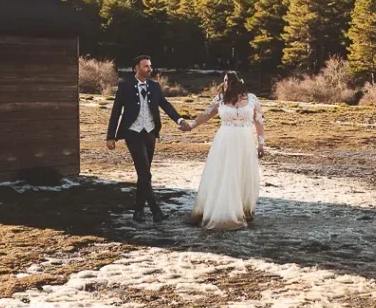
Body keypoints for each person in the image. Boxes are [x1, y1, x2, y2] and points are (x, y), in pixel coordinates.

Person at [106, 55, 189, 222]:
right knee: (145, 173)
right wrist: (111, 136)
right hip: (132, 133)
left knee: (143, 175)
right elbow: (116, 111)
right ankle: (155, 211)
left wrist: (179, 120)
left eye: (150, 66)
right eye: (145, 66)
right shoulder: (125, 86)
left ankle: (138, 212)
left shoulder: (154, 86)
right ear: (136, 68)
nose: (149, 69)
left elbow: (165, 105)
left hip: (150, 134)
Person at [184, 72, 265, 230]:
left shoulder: (252, 99)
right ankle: (224, 211)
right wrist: (191, 126)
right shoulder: (221, 98)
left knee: (242, 173)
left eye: (227, 80)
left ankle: (243, 210)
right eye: (224, 80)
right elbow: (206, 114)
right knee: (226, 173)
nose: (225, 83)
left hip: (245, 141)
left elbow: (259, 121)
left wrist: (261, 143)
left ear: (236, 82)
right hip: (225, 140)